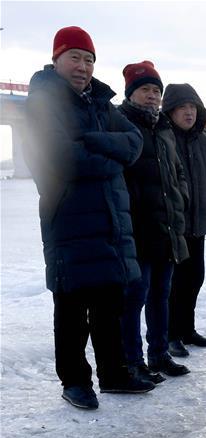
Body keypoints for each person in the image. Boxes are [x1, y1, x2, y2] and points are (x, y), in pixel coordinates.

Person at [23, 26, 155, 409]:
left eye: (89, 60)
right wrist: (110, 160)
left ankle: (113, 374)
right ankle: (75, 381)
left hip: (110, 220)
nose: (82, 67)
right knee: (71, 309)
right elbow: (63, 160)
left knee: (108, 306)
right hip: (69, 220)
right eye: (74, 57)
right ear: (56, 59)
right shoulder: (43, 102)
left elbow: (133, 143)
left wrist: (95, 143)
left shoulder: (100, 102)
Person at [119, 61, 191, 381]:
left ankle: (159, 354)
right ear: (132, 93)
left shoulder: (163, 128)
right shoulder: (119, 124)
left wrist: (181, 198)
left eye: (157, 90)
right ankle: (132, 361)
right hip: (136, 228)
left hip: (166, 227)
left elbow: (176, 173)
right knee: (135, 297)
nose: (152, 96)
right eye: (146, 89)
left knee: (161, 294)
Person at [162, 83, 206, 356]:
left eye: (193, 107)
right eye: (183, 107)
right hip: (175, 225)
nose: (189, 113)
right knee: (176, 282)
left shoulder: (203, 140)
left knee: (195, 277)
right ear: (171, 111)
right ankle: (171, 334)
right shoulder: (164, 138)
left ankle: (187, 329)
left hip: (198, 222)